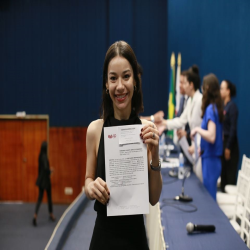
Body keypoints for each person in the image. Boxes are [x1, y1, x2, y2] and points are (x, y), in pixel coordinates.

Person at [85, 41, 162, 250]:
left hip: (135, 239)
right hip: (103, 238)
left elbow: (154, 199)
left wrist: (155, 155)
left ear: (135, 81)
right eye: (113, 78)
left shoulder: (146, 131)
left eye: (126, 76)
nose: (120, 86)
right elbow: (87, 180)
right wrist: (91, 187)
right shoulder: (94, 130)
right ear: (106, 84)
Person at [156, 65, 203, 153]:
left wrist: (198, 145)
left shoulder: (200, 100)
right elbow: (181, 121)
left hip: (200, 148)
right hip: (193, 148)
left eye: (185, 83)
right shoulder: (190, 101)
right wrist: (163, 123)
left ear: (191, 85)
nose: (183, 86)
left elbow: (201, 128)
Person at [191, 74, 223, 200]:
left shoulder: (210, 109)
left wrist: (197, 129)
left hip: (211, 161)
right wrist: (203, 147)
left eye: (203, 87)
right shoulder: (216, 108)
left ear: (208, 87)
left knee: (210, 200)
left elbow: (212, 136)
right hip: (211, 159)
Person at [220, 80, 239, 192]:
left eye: (222, 88)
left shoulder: (232, 107)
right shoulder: (223, 106)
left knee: (230, 178)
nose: (220, 91)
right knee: (223, 178)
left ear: (228, 91)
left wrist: (228, 148)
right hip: (223, 144)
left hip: (230, 147)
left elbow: (233, 129)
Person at [33, 141, 56, 226]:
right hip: (46, 181)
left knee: (39, 198)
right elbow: (46, 169)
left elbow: (41, 169)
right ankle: (51, 214)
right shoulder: (45, 157)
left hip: (40, 180)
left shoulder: (40, 156)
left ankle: (35, 215)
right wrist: (51, 170)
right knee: (49, 198)